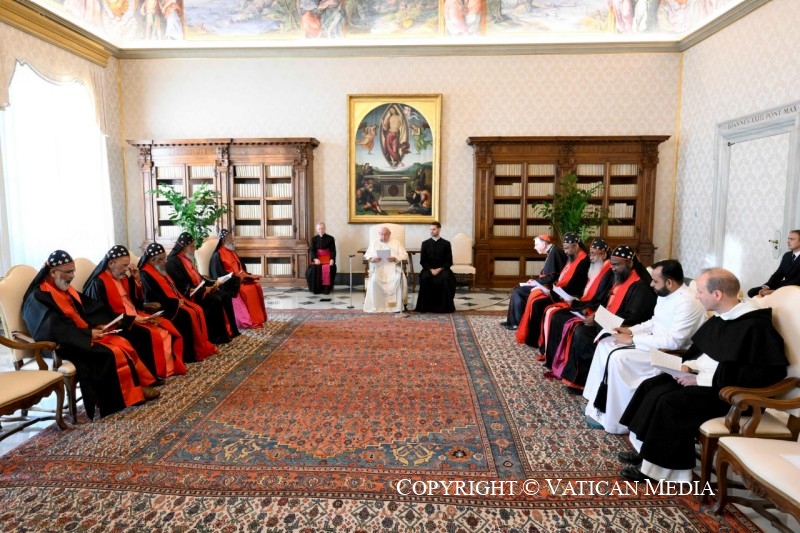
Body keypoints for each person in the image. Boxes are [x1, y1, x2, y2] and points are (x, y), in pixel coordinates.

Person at [617, 268, 788, 483]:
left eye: (700, 291)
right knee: (653, 385)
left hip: (733, 395)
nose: (696, 296)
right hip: (710, 380)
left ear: (717, 294)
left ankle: (660, 470)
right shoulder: (723, 317)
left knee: (670, 402)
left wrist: (698, 379)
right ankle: (648, 452)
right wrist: (689, 367)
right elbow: (705, 354)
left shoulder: (754, 326)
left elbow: (756, 375)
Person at [23, 250, 160, 420]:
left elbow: (88, 309)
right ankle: (117, 399)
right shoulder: (39, 296)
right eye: (68, 272)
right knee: (107, 353)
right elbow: (52, 328)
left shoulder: (65, 289)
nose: (72, 276)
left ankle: (133, 389)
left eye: (73, 271)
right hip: (59, 345)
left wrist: (100, 323)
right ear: (53, 272)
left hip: (78, 336)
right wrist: (87, 334)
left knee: (120, 342)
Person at [583, 259, 706, 433]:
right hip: (653, 343)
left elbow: (674, 342)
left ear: (669, 282)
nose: (651, 284)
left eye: (655, 281)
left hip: (669, 353)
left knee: (618, 358)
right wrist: (630, 330)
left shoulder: (688, 302)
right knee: (605, 343)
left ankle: (616, 419)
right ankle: (597, 405)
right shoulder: (666, 294)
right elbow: (654, 322)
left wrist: (633, 340)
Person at [550, 245, 657, 391]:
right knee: (577, 327)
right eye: (612, 264)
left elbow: (632, 317)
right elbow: (607, 303)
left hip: (625, 328)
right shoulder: (621, 279)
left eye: (617, 265)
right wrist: (596, 315)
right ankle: (577, 379)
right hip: (608, 322)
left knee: (582, 333)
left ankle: (583, 382)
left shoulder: (640, 287)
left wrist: (597, 319)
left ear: (630, 263)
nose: (613, 268)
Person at [84, 245, 187, 381]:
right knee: (148, 335)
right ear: (111, 263)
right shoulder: (98, 283)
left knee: (165, 328)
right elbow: (103, 315)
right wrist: (131, 320)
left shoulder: (123, 278)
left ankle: (167, 369)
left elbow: (136, 303)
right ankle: (151, 376)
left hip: (134, 316)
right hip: (118, 324)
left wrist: (137, 279)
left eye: (128, 265)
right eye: (123, 265)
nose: (126, 269)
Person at [138, 242, 218, 362]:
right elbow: (152, 296)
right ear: (153, 260)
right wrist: (174, 303)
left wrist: (181, 297)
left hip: (172, 302)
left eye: (165, 257)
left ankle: (200, 346)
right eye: (162, 259)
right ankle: (189, 355)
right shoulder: (146, 273)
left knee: (197, 309)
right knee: (186, 316)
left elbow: (173, 286)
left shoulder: (159, 268)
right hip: (162, 307)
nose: (165, 261)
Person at [537, 238, 614, 359]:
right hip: (584, 302)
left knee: (557, 316)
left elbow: (601, 298)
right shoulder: (596, 266)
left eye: (593, 254)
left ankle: (560, 357)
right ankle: (554, 355)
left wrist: (578, 304)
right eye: (590, 253)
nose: (590, 257)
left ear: (604, 255)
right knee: (553, 313)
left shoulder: (609, 272)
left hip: (593, 308)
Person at [515, 233, 590, 346]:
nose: (565, 252)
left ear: (576, 246)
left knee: (537, 303)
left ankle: (535, 340)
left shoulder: (583, 261)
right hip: (561, 291)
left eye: (567, 248)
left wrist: (553, 293)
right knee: (534, 298)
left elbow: (576, 284)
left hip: (570, 295)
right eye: (564, 248)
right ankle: (532, 337)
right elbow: (562, 276)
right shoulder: (573, 257)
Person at [166, 232, 240, 344]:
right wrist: (204, 290)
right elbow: (181, 286)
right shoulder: (173, 262)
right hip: (190, 295)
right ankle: (216, 337)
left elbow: (198, 277)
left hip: (199, 290)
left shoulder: (186, 258)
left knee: (225, 295)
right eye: (192, 246)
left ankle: (230, 331)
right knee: (215, 299)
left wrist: (213, 283)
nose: (194, 248)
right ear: (184, 247)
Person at [500, 235, 567, 331]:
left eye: (536, 245)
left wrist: (536, 282)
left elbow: (553, 276)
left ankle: (517, 323)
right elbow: (548, 274)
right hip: (546, 284)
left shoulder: (555, 252)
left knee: (519, 292)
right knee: (517, 290)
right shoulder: (552, 251)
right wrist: (535, 280)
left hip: (551, 287)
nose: (534, 247)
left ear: (543, 245)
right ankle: (511, 321)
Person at [211, 229, 268, 326]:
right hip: (231, 284)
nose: (233, 240)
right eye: (230, 238)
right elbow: (219, 275)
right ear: (224, 240)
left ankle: (258, 318)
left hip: (239, 280)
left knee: (256, 285)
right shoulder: (217, 255)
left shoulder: (232, 252)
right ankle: (249, 320)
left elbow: (241, 268)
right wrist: (237, 280)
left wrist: (247, 276)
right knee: (247, 290)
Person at [414, 222, 457, 313]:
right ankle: (426, 307)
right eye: (430, 229)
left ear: (439, 229)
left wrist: (439, 269)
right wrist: (431, 269)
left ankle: (444, 307)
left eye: (434, 229)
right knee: (424, 277)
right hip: (429, 269)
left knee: (445, 278)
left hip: (443, 268)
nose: (431, 231)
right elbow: (423, 261)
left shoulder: (446, 243)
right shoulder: (425, 243)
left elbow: (449, 260)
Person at [364, 226, 408, 314]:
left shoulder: (396, 242)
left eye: (386, 234)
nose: (383, 236)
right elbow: (367, 255)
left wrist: (395, 258)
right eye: (382, 234)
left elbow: (404, 255)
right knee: (374, 280)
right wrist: (374, 258)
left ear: (390, 234)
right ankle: (378, 306)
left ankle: (394, 307)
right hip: (379, 268)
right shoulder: (374, 243)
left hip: (393, 268)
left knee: (396, 279)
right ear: (379, 234)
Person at [746, 229, 800, 297]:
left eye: (792, 239)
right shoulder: (787, 255)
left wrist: (774, 291)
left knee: (769, 295)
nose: (788, 241)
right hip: (782, 286)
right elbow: (778, 274)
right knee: (752, 292)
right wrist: (767, 286)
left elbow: (797, 281)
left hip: (793, 288)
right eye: (788, 239)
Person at [305, 222, 337, 295]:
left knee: (329, 267)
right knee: (313, 269)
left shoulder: (330, 238)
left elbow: (333, 250)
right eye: (319, 229)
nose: (321, 230)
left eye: (322, 228)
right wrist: (315, 259)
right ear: (317, 230)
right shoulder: (314, 239)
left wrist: (332, 259)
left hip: (327, 258)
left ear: (325, 229)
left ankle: (326, 289)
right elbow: (312, 250)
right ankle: (316, 289)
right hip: (318, 259)